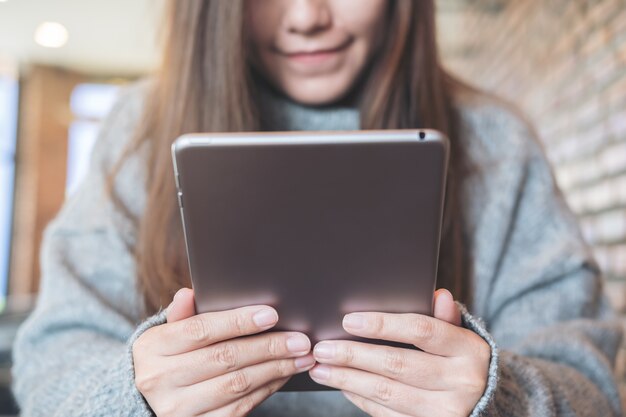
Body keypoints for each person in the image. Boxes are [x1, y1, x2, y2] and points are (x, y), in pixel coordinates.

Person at [12, 1, 623, 416]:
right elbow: (48, 371)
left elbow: (592, 387)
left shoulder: (496, 142)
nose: (308, 18)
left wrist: (501, 396)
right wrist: (137, 394)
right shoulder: (139, 131)